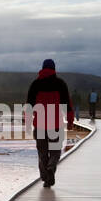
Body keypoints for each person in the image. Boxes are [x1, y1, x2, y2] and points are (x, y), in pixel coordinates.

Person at [25, 58, 74, 187]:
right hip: (56, 124)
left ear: (42, 68)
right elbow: (68, 105)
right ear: (54, 69)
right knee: (55, 151)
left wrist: (28, 122)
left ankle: (45, 177)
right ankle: (51, 168)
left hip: (40, 125)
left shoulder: (35, 84)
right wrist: (70, 121)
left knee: (42, 152)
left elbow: (29, 105)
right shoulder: (60, 84)